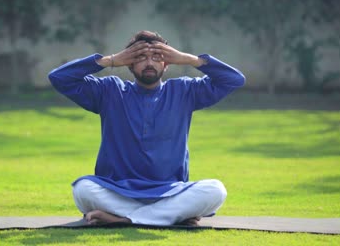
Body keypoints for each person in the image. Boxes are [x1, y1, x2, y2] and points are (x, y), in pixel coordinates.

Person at [48, 30, 245, 226]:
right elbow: (59, 78)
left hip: (170, 192)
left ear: (167, 63)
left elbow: (234, 80)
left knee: (216, 190)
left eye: (157, 57)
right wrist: (111, 60)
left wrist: (189, 59)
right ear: (130, 64)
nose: (149, 63)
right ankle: (166, 216)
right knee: (83, 189)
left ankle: (126, 219)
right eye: (140, 57)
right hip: (117, 191)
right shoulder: (109, 91)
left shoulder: (185, 91)